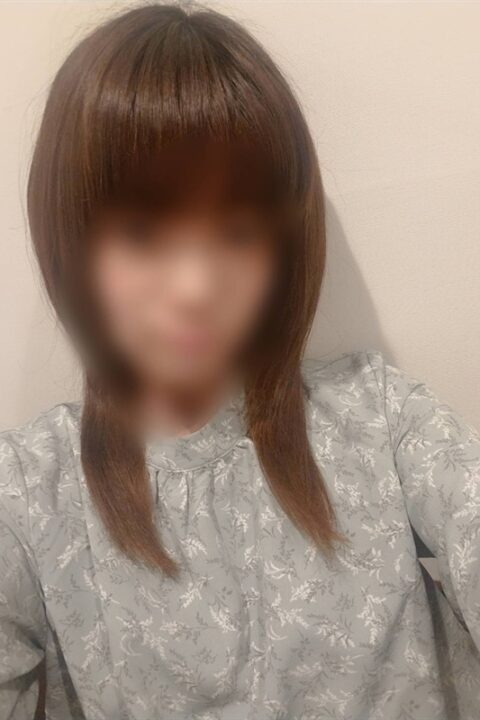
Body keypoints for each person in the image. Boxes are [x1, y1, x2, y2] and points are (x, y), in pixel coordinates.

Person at [1, 4, 479, 719]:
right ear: (70, 239)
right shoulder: (29, 491)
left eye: (237, 231)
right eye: (141, 233)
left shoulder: (380, 420)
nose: (196, 288)